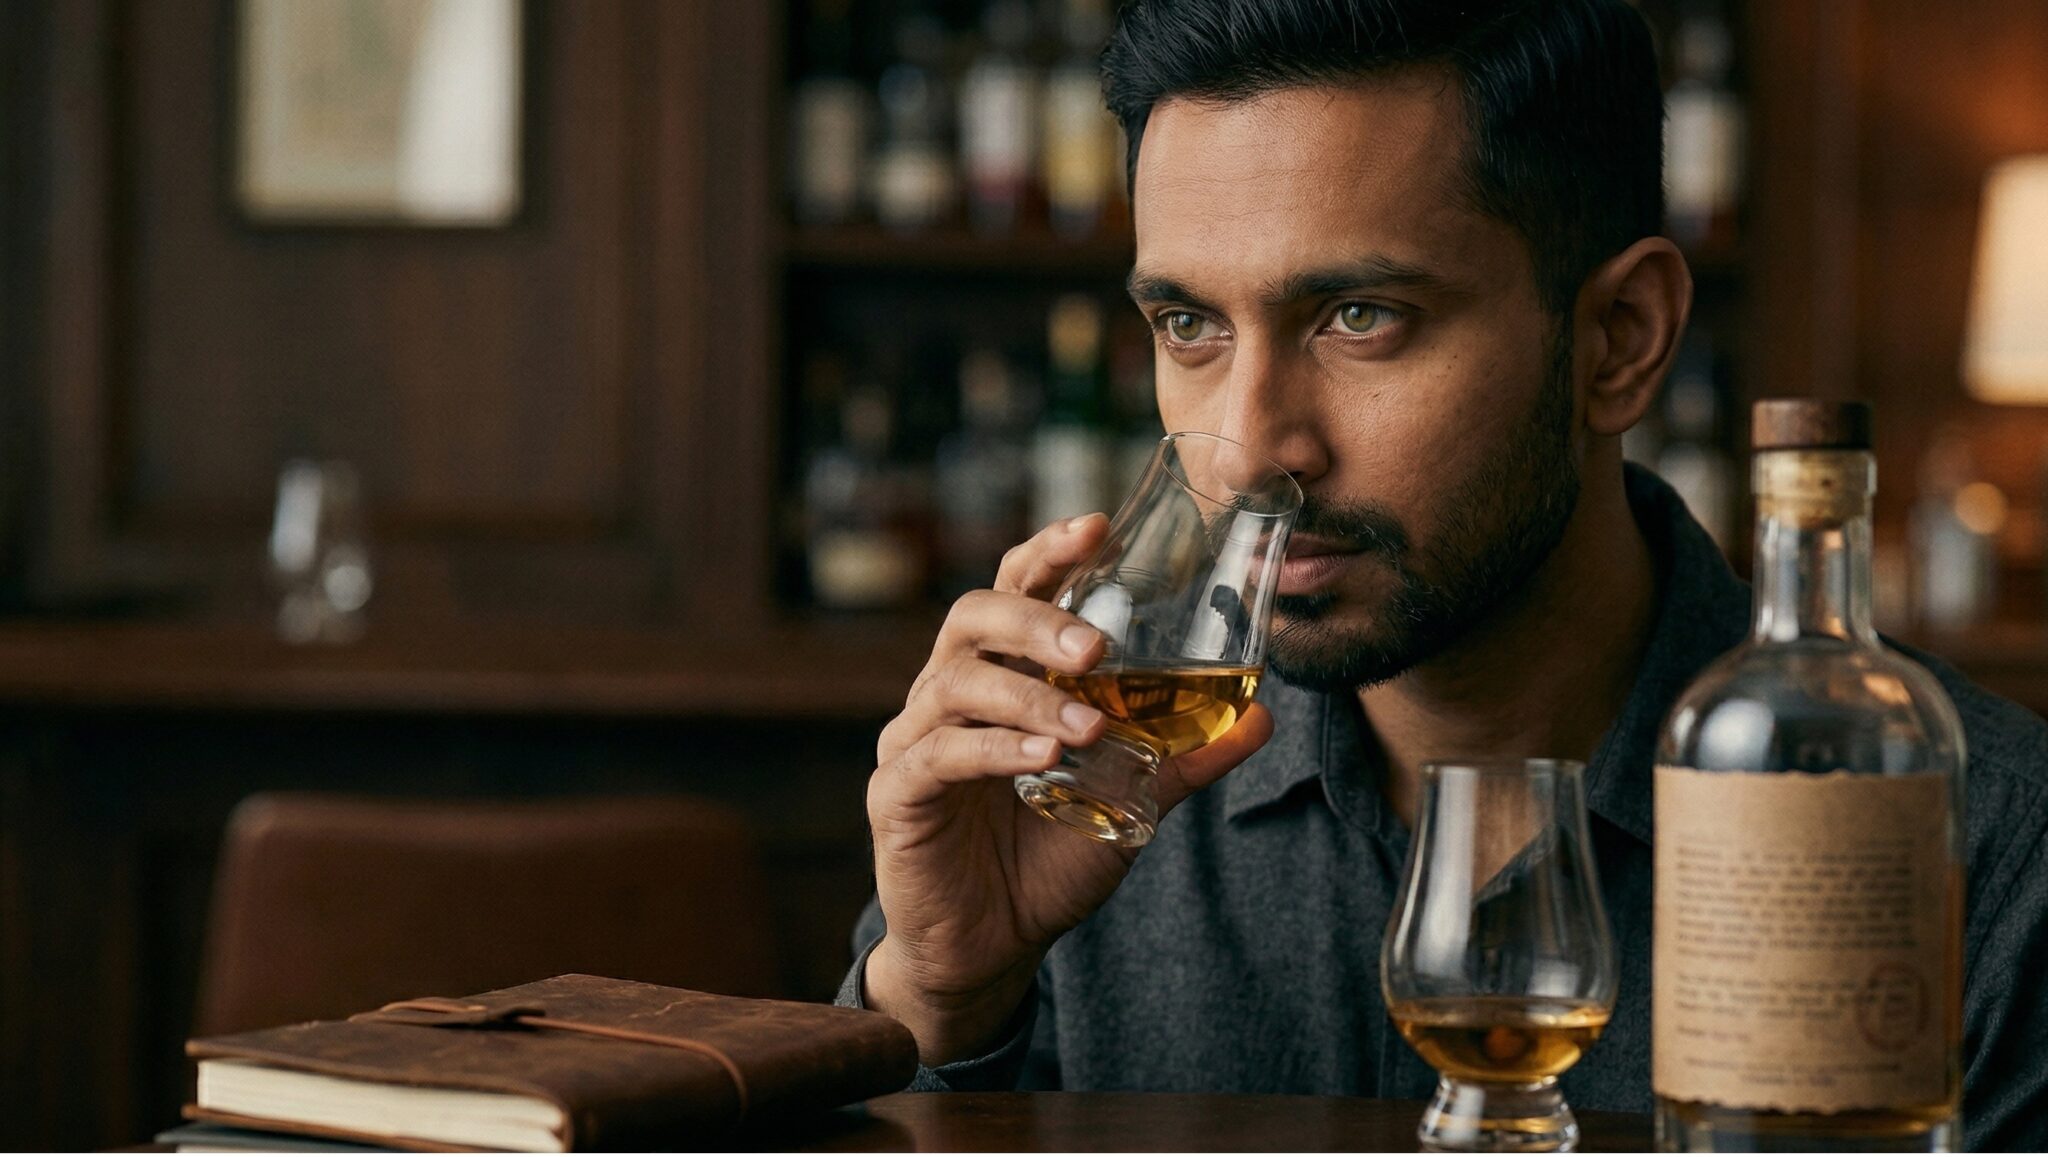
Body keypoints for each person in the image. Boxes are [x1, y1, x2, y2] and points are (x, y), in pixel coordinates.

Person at [835, 0, 2048, 1148]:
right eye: (1187, 326)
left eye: (1360, 315)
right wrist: (940, 999)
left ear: (1618, 341)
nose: (1255, 450)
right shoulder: (1077, 790)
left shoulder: (1988, 854)